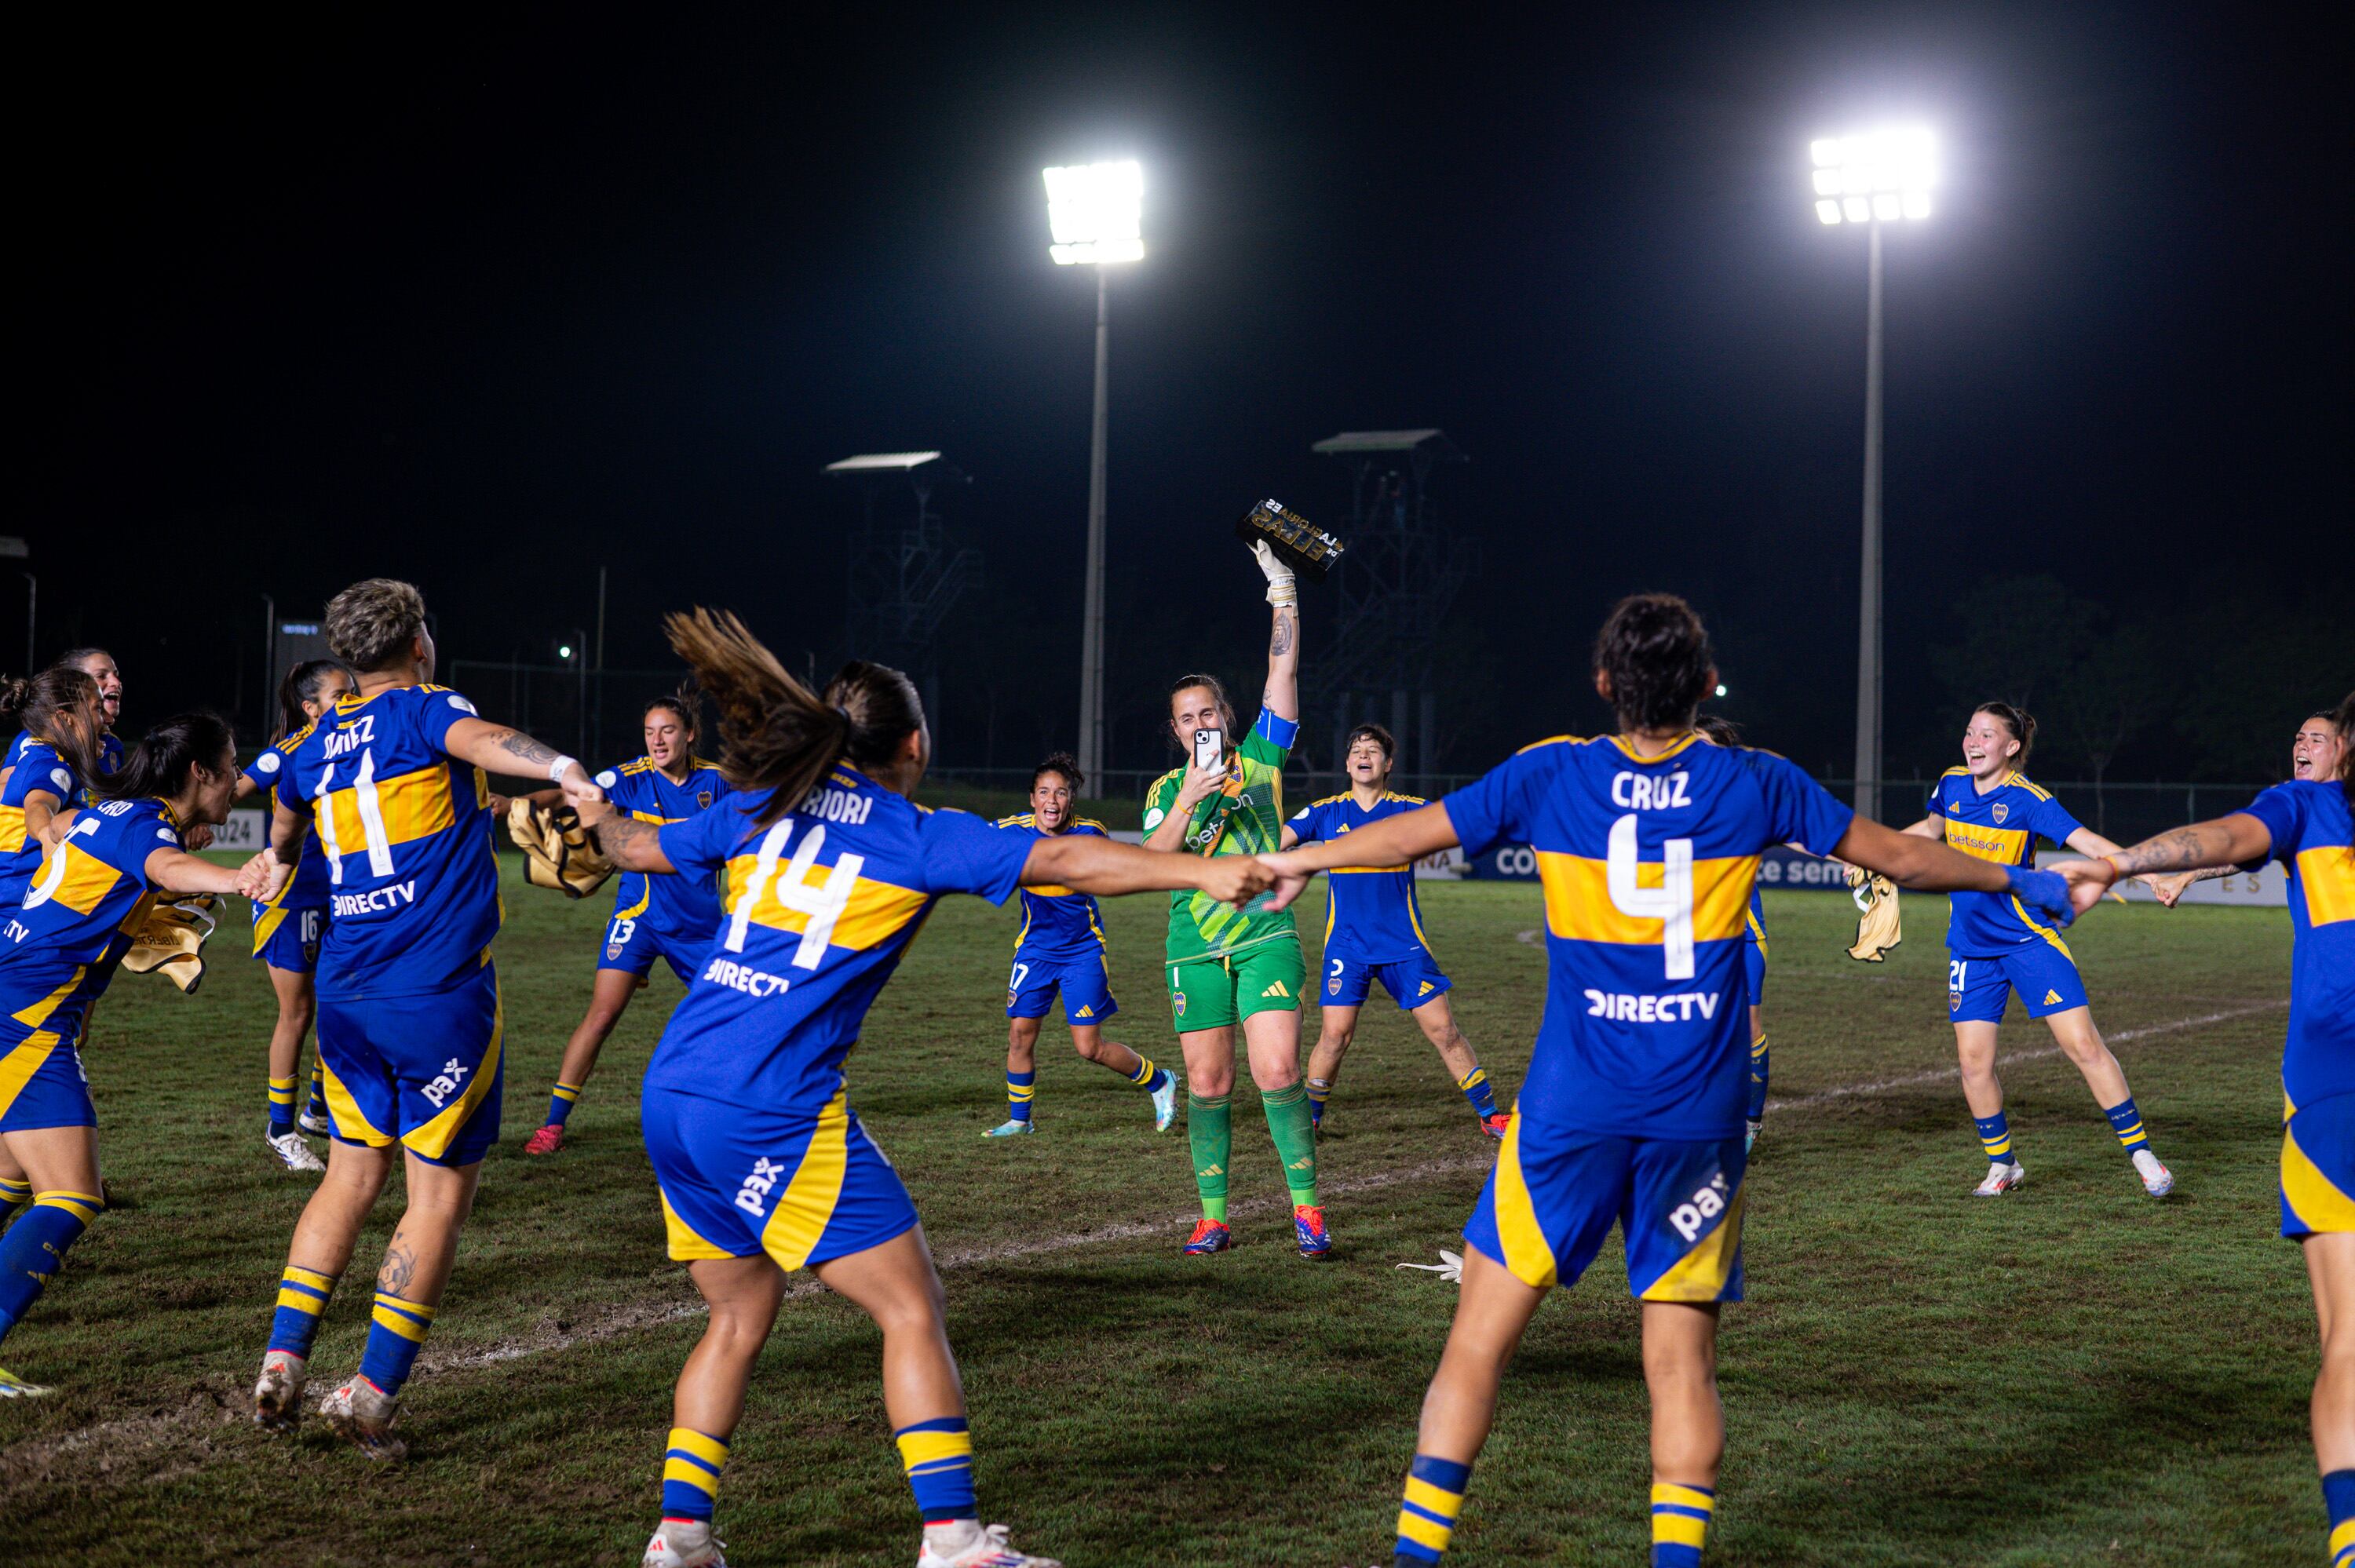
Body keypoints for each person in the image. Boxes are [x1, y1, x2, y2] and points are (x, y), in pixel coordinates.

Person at [1257, 593, 2086, 1568]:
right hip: (1697, 1114)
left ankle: (1415, 1557)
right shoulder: (1755, 782)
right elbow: (1904, 856)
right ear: (1702, 685)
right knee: (1682, 1365)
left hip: (1570, 1109)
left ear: (1606, 685)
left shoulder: (1552, 772)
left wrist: (1301, 858)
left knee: (1476, 1345)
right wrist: (2022, 878)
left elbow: (1411, 833)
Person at [585, 610, 1271, 1568]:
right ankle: (953, 1542)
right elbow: (1069, 858)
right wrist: (1212, 868)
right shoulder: (913, 833)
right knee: (912, 1305)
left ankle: (680, 1537)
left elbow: (630, 848)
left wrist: (585, 802)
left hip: (675, 1094)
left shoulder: (761, 804)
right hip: (770, 1104)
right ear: (915, 744)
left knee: (738, 1315)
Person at [246, 578, 602, 1458]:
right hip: (437, 996)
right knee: (436, 1193)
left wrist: (275, 856)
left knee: (347, 1176)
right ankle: (372, 1392)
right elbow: (477, 737)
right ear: (418, 645)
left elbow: (283, 826)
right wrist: (564, 768)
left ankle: (283, 1360)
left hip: (348, 998)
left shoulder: (315, 738)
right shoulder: (425, 708)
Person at [2056, 690, 2353, 1566]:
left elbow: (2229, 838)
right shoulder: (2305, 808)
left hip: (2336, 1093)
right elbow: (2235, 845)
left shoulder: (2309, 809)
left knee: (2347, 1341)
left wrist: (2122, 863)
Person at [0, 713, 251, 1397]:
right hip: (26, 1016)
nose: (237, 781)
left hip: (20, 996)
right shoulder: (144, 826)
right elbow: (163, 863)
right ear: (199, 773)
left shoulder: (116, 811)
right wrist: (239, 879)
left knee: (11, 1181)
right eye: (229, 767)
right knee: (73, 1193)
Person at [1900, 703, 2174, 1198]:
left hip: (2028, 940)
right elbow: (1930, 831)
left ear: (2011, 747)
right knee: (1972, 1064)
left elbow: (2087, 842)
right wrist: (1870, 853)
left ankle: (2142, 1154)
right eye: (1969, 732)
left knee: (2084, 1047)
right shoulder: (1952, 784)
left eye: (1987, 735)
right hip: (1970, 949)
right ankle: (2003, 1164)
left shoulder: (2029, 798)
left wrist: (2148, 872)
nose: (1973, 741)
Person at [1141, 542, 1324, 1258]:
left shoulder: (1261, 757)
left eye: (1209, 711)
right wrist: (1189, 798)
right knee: (1209, 1081)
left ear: (1226, 714)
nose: (1200, 724)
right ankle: (1213, 1215)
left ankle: (1307, 1210)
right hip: (1191, 945)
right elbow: (1154, 864)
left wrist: (1283, 591)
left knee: (1277, 1070)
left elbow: (1284, 667)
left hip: (1264, 934)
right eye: (1187, 718)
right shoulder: (1164, 790)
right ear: (1177, 729)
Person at [521, 688, 733, 1156]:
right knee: (601, 1015)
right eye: (650, 732)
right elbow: (569, 792)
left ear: (690, 734)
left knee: (728, 1019)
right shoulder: (628, 777)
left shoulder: (719, 784)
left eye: (668, 731)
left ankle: (732, 1114)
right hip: (639, 918)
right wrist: (515, 804)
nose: (657, 741)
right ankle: (553, 1125)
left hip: (699, 926)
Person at [1282, 722, 1508, 1139]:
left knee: (1444, 1031)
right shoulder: (1325, 812)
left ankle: (1490, 1115)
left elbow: (1461, 821)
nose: (1362, 754)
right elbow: (1278, 841)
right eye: (1355, 750)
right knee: (1334, 1036)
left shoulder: (1409, 809)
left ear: (1388, 764)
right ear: (1348, 763)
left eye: (1372, 750)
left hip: (1403, 946)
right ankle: (1308, 1122)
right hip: (1346, 947)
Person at [984, 753, 1177, 1137]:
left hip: (1081, 951)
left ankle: (1160, 1081)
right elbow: (970, 840)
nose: (1051, 801)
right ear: (1032, 798)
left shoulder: (1091, 833)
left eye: (1060, 793)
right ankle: (1020, 1120)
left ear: (1071, 800)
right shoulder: (1012, 829)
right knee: (1020, 1034)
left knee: (1089, 1048)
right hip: (1034, 950)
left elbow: (1124, 869)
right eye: (1044, 793)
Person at [236, 658, 360, 1174]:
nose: (351, 700)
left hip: (344, 894)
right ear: (310, 709)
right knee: (299, 1012)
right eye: (339, 694)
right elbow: (232, 792)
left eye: (354, 690)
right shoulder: (285, 753)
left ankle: (316, 1112)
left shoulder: (359, 743)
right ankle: (281, 1129)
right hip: (290, 898)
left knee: (339, 1003)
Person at [2152, 709, 2346, 906]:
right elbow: (2241, 846)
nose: (2303, 746)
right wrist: (2184, 878)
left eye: (2316, 740)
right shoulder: (2289, 806)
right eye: (2299, 739)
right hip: (2312, 937)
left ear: (2341, 751)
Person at [1695, 718, 1773, 1152]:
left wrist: (1850, 857)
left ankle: (1750, 1122)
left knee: (1747, 1029)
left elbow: (1798, 830)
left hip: (1742, 937)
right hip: (1692, 941)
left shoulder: (1745, 798)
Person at [52, 648, 126, 788]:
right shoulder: (40, 742)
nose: (116, 683)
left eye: (116, 675)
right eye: (101, 676)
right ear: (70, 687)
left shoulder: (113, 745)